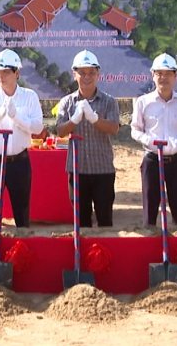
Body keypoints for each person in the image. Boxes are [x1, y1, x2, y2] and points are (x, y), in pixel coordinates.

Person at [0, 49, 43, 228]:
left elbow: (37, 127)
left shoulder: (29, 96)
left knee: (21, 210)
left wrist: (17, 117)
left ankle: (22, 244)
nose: (0, 76)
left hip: (19, 161)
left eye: (5, 71)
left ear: (17, 73)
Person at [130, 53, 177, 226]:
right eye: (159, 73)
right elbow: (135, 130)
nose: (164, 78)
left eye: (168, 73)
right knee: (150, 210)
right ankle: (151, 238)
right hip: (152, 161)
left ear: (175, 76)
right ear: (152, 75)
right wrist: (148, 140)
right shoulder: (143, 102)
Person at [56, 50, 121, 227]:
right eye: (82, 73)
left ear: (98, 74)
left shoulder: (109, 101)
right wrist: (74, 120)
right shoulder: (67, 102)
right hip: (77, 171)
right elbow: (60, 131)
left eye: (91, 72)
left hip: (103, 169)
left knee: (105, 220)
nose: (87, 77)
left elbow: (114, 128)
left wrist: (94, 118)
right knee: (81, 222)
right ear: (74, 74)